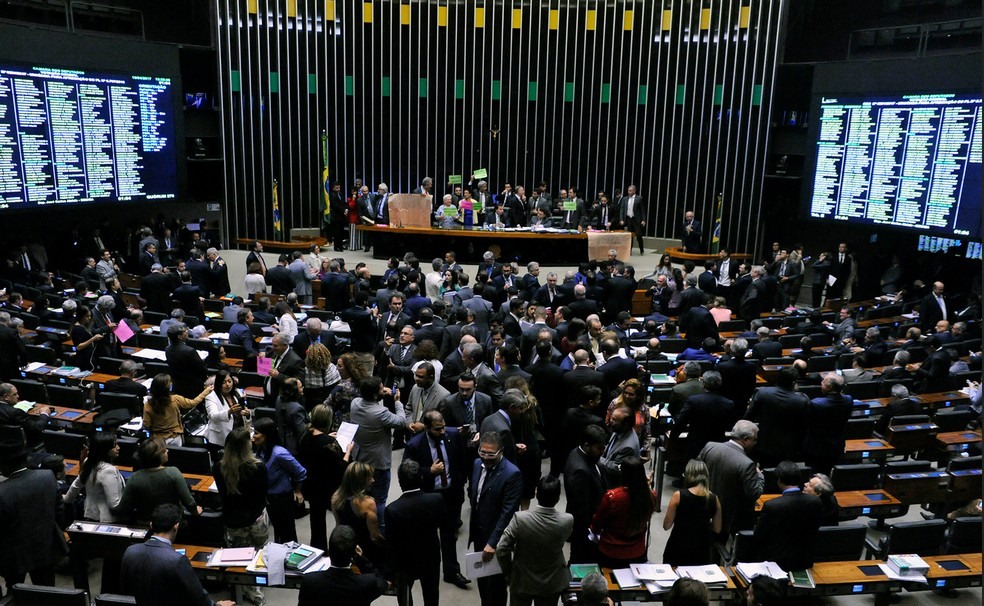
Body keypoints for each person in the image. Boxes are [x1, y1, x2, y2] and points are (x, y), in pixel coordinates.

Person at [404, 410, 470, 588]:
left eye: (443, 427)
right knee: (427, 536)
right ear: (426, 428)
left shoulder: (453, 436)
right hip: (428, 496)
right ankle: (426, 571)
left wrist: (462, 483)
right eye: (437, 429)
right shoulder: (414, 445)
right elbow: (406, 473)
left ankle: (451, 571)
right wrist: (429, 471)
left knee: (449, 534)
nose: (442, 432)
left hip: (450, 494)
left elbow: (462, 462)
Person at [121, 504, 235, 606]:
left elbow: (126, 588)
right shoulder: (177, 560)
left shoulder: (130, 551)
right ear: (176, 527)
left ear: (151, 525)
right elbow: (198, 597)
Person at [0, 437, 68, 592]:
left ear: (3, 465)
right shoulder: (47, 477)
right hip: (45, 545)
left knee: (15, 593)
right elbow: (59, 512)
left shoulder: (2, 492)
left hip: (15, 555)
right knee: (47, 592)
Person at [496, 474, 573, 606]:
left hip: (522, 579)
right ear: (558, 498)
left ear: (536, 494)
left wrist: (509, 573)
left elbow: (501, 548)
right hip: (551, 581)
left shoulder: (520, 519)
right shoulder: (567, 520)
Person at [212, 427, 269, 606]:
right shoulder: (258, 468)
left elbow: (222, 494)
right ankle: (257, 586)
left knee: (241, 555)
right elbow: (263, 494)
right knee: (260, 551)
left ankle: (246, 589)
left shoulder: (218, 468)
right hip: (256, 519)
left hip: (233, 521)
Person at [470, 431, 523, 606]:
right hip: (479, 534)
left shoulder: (512, 474)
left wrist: (493, 543)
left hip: (497, 541)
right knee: (483, 585)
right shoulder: (477, 464)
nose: (486, 457)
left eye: (491, 454)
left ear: (501, 451)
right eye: (482, 452)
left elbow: (507, 513)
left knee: (496, 588)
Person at [350, 376, 409, 528]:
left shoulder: (355, 404)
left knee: (360, 496)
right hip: (378, 464)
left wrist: (381, 392)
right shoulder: (381, 413)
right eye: (381, 388)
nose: (384, 389)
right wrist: (397, 402)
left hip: (359, 459)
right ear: (376, 395)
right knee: (379, 500)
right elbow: (401, 421)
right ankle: (380, 528)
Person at [386, 459, 446, 606]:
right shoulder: (436, 499)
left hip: (405, 562)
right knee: (431, 595)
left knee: (405, 597)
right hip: (430, 556)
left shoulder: (392, 509)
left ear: (399, 481)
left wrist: (391, 572)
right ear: (421, 478)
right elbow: (444, 526)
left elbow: (392, 545)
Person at [297, 404, 352, 552]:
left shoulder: (305, 436)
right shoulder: (329, 443)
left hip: (311, 485)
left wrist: (328, 438)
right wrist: (347, 452)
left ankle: (318, 549)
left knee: (316, 522)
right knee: (341, 518)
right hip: (329, 488)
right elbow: (341, 466)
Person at [697, 420, 764, 539]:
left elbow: (695, 473)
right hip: (727, 517)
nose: (755, 443)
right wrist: (759, 475)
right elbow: (754, 494)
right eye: (754, 440)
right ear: (745, 439)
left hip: (700, 507)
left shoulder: (710, 446)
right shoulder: (747, 464)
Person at [589, 455, 657, 568]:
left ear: (623, 474)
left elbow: (596, 525)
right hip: (637, 551)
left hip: (611, 552)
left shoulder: (612, 497)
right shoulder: (651, 496)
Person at [113, 438, 201, 524]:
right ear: (157, 455)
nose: (167, 451)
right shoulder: (173, 473)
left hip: (144, 524)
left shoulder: (134, 478)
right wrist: (195, 511)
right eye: (164, 450)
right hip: (171, 524)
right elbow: (189, 502)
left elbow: (124, 508)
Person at [754, 460, 822, 571]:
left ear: (779, 481)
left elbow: (759, 535)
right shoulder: (816, 502)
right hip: (804, 560)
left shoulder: (772, 506)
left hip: (776, 563)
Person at [297, 525, 389, 606]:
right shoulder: (367, 583)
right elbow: (382, 581)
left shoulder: (310, 582)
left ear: (330, 552)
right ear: (353, 554)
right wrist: (361, 560)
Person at [252, 416, 306, 543]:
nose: (253, 436)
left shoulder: (279, 453)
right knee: (278, 534)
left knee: (288, 536)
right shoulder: (262, 450)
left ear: (267, 435)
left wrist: (298, 491)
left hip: (282, 500)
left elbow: (301, 471)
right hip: (270, 500)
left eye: (256, 433)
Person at [331, 462, 386, 573]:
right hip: (365, 552)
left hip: (346, 547)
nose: (373, 480)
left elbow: (338, 525)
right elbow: (374, 537)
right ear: (361, 480)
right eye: (369, 477)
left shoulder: (336, 498)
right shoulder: (367, 503)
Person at [63, 431, 125, 522]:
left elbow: (75, 487)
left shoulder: (88, 462)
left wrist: (64, 498)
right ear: (104, 449)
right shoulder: (108, 471)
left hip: (90, 515)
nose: (118, 448)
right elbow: (114, 505)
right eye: (114, 446)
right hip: (108, 521)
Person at [143, 373, 212, 445]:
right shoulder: (175, 399)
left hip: (158, 440)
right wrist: (206, 391)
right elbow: (193, 403)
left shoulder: (148, 405)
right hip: (175, 438)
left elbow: (147, 424)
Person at [205, 369, 250, 447]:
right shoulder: (211, 397)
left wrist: (246, 414)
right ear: (218, 384)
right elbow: (212, 415)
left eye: (229, 381)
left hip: (239, 435)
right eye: (224, 382)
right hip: (220, 438)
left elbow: (243, 412)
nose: (228, 384)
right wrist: (229, 412)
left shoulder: (237, 393)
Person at [274, 377, 307, 455]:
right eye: (300, 387)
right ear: (293, 392)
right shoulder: (297, 408)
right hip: (294, 447)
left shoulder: (279, 399)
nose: (303, 388)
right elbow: (302, 432)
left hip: (281, 440)